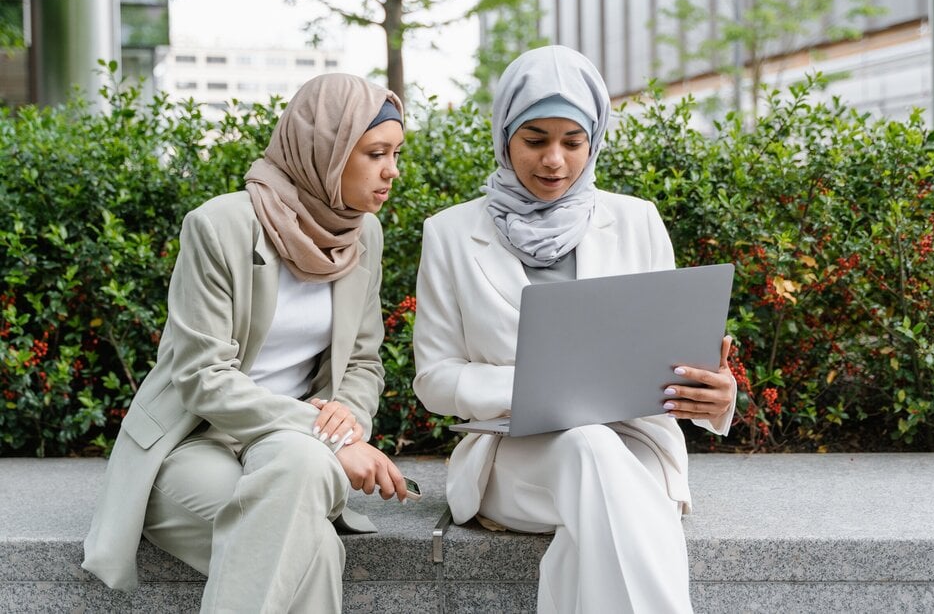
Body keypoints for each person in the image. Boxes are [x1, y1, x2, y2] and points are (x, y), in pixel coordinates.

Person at [412, 46, 737, 613]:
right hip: (511, 458)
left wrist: (716, 396)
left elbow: (672, 355)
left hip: (636, 448)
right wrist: (531, 389)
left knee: (593, 504)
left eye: (573, 141)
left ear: (594, 140)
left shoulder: (637, 221)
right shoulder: (449, 233)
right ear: (504, 135)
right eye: (535, 140)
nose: (554, 161)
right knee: (588, 446)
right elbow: (434, 377)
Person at [82, 73, 411, 612]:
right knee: (316, 548)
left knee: (300, 474)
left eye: (396, 153)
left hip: (291, 447)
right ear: (324, 150)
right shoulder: (220, 226)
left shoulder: (362, 234)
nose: (392, 170)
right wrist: (327, 437)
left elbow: (363, 361)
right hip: (193, 443)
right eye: (376, 153)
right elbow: (201, 377)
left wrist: (345, 420)